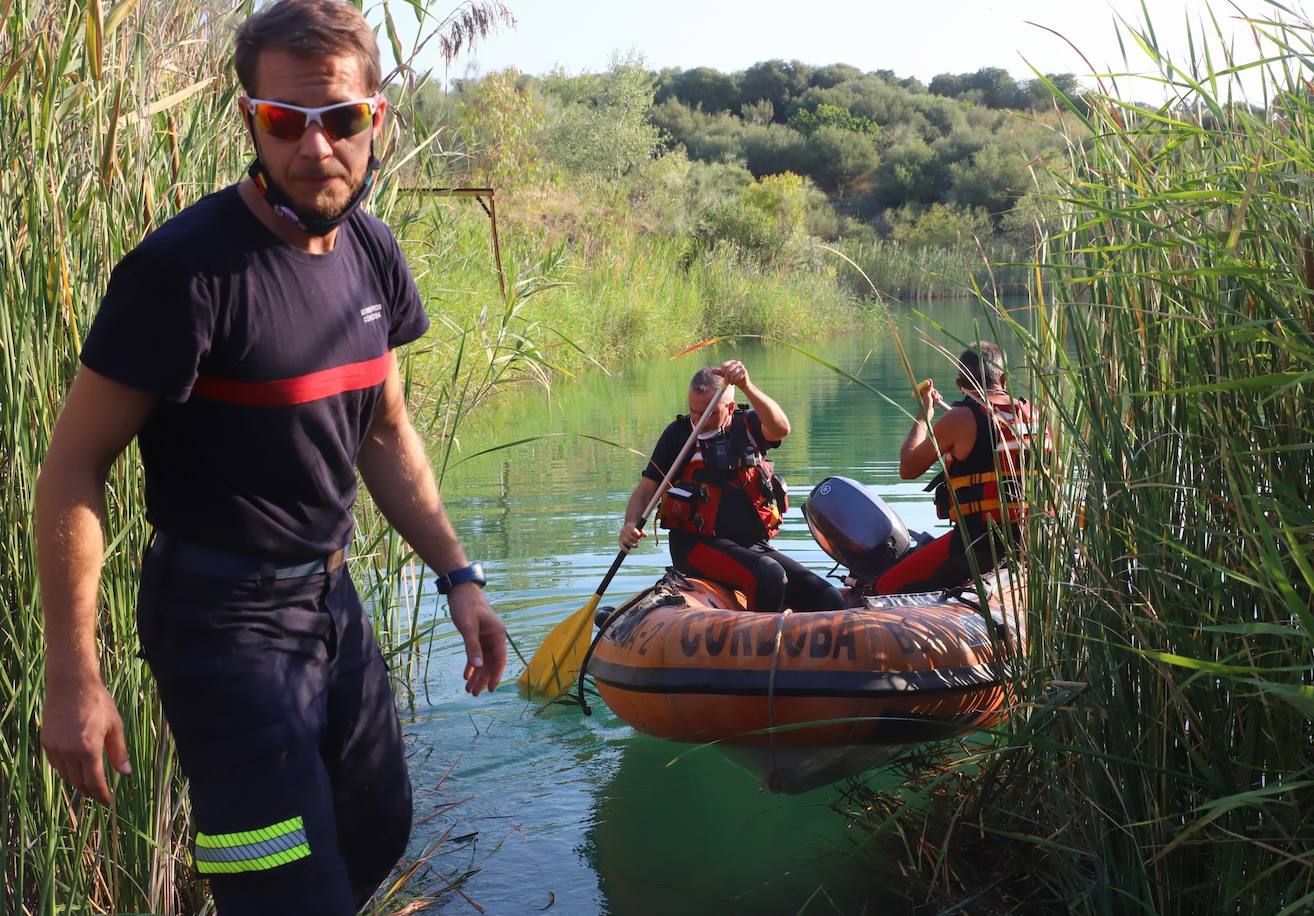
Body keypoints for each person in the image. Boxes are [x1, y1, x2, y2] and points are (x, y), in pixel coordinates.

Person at [33, 1, 506, 912]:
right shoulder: (184, 275)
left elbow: (386, 429)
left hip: (330, 601)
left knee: (377, 829)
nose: (316, 147)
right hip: (221, 626)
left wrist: (459, 576)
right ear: (250, 119)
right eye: (286, 121)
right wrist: (72, 674)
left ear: (378, 117)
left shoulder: (371, 251)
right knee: (282, 891)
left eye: (341, 120)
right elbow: (72, 467)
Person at [620, 360, 844, 613]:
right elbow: (647, 489)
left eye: (708, 412)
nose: (698, 420)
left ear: (730, 407)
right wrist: (630, 524)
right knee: (769, 575)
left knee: (827, 597)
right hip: (695, 546)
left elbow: (781, 428)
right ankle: (758, 644)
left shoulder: (747, 426)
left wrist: (746, 385)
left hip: (750, 545)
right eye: (693, 410)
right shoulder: (678, 435)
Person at [873, 341, 1042, 595]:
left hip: (980, 546)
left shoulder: (961, 418)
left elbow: (908, 468)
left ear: (959, 384)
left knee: (884, 586)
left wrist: (923, 416)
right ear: (1004, 380)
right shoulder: (1034, 415)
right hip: (1033, 540)